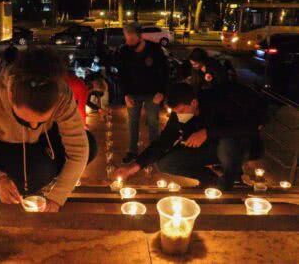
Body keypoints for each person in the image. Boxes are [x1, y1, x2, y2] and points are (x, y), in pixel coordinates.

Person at [0, 48, 96, 212]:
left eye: (42, 121)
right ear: (10, 94)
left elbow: (79, 149)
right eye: (24, 120)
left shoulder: (61, 95)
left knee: (90, 145)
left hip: (44, 140)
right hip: (2, 144)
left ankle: (45, 173)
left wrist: (58, 196)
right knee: (31, 177)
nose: (33, 127)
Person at [113, 82, 266, 191]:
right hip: (211, 147)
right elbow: (162, 143)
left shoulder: (218, 102)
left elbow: (249, 128)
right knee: (165, 162)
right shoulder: (178, 116)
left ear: (193, 103)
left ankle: (233, 182)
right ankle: (211, 181)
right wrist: (132, 168)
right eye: (175, 112)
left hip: (239, 145)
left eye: (181, 110)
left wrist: (207, 132)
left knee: (227, 146)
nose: (178, 115)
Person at [116, 22, 168, 164]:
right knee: (132, 123)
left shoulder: (155, 49)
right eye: (126, 38)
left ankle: (154, 152)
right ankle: (132, 151)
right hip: (132, 94)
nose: (128, 42)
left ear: (140, 36)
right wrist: (125, 94)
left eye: (131, 39)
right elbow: (121, 75)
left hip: (152, 93)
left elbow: (164, 72)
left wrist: (161, 92)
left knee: (153, 123)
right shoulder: (124, 51)